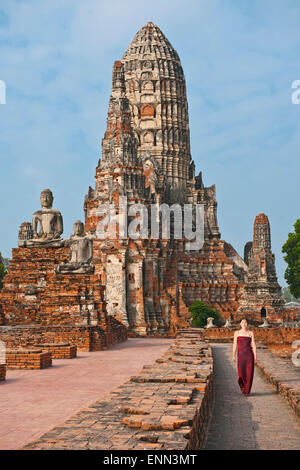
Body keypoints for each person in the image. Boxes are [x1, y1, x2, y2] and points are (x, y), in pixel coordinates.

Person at [232, 319, 257, 396]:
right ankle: (243, 387)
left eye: (245, 322)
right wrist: (233, 355)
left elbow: (254, 345)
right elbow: (235, 345)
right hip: (241, 356)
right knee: (241, 374)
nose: (244, 324)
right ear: (240, 324)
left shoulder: (250, 333)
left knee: (249, 373)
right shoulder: (237, 333)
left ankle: (247, 391)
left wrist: (255, 356)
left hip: (249, 356)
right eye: (242, 322)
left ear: (247, 324)